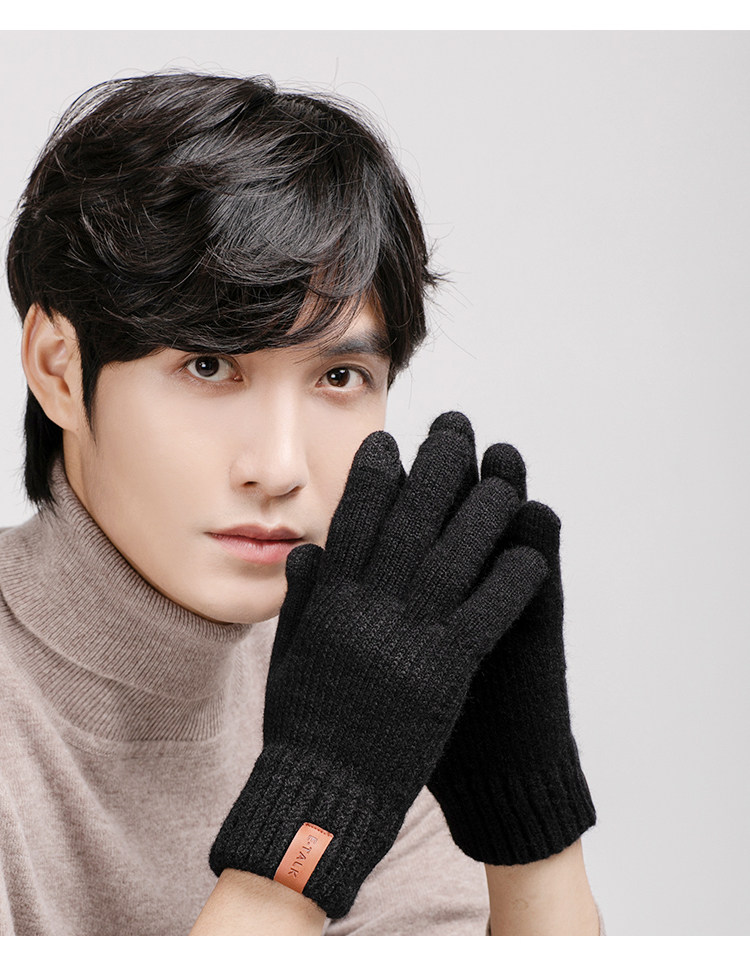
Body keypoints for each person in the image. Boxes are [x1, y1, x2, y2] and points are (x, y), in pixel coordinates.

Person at [0, 71, 602, 936]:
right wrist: (308, 822)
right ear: (59, 368)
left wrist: (530, 832)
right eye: (209, 365)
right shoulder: (342, 728)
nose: (280, 468)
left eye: (339, 376)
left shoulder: (359, 678)